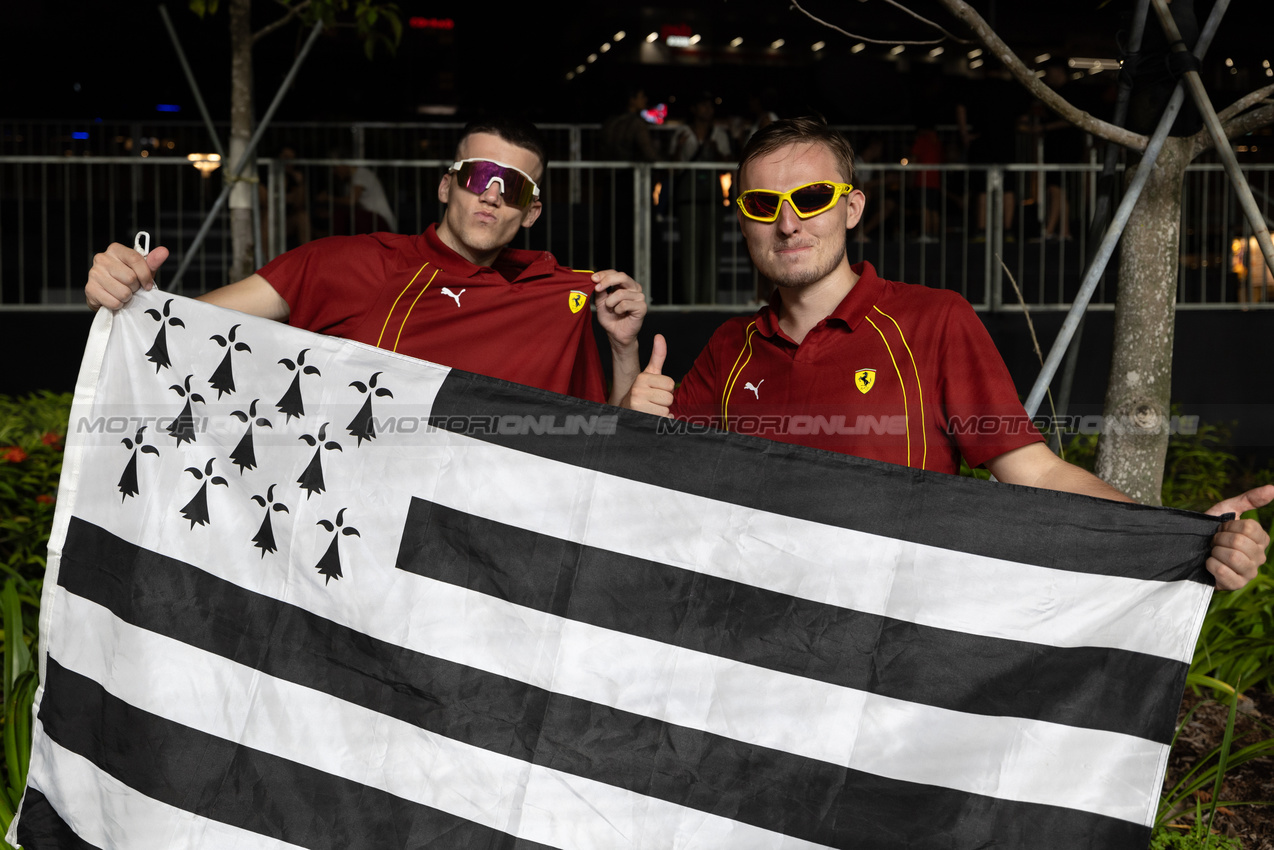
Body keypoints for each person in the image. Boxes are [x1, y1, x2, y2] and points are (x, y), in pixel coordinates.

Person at [621, 116, 1270, 590]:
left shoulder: (933, 320)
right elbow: (663, 496)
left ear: (851, 209)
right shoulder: (729, 349)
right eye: (764, 205)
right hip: (762, 646)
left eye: (811, 199)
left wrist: (1182, 536)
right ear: (742, 219)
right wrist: (637, 417)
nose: (788, 223)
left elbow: (1037, 475)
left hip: (898, 639)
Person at [85, 118, 647, 406]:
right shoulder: (352, 264)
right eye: (478, 175)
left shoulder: (560, 297)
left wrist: (623, 349)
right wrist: (134, 296)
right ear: (446, 186)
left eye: (515, 188)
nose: (493, 195)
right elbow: (186, 326)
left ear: (531, 213)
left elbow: (603, 441)